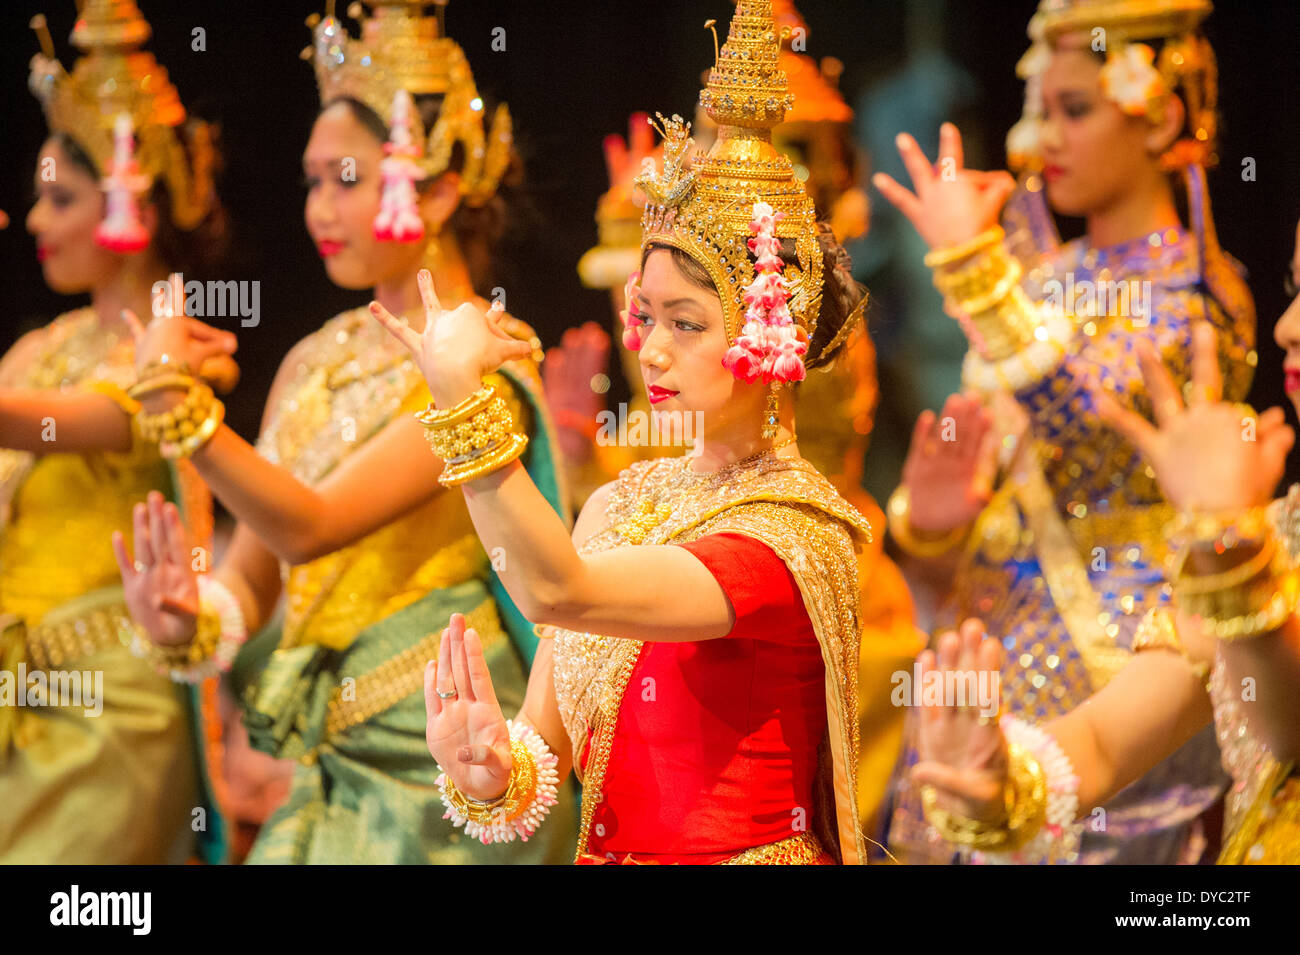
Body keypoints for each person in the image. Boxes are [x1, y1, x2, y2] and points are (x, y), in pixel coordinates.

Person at [372, 0, 873, 864]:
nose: (651, 348)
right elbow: (544, 748)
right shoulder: (619, 504)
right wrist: (492, 765)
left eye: (686, 323)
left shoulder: (786, 537)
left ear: (768, 324)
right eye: (645, 317)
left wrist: (461, 398)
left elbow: (556, 591)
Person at [113, 0, 576, 864]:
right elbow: (258, 569)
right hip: (329, 763)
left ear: (436, 189)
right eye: (313, 181)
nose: (320, 208)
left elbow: (313, 524)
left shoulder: (484, 359)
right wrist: (191, 618)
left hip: (440, 762)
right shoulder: (312, 360)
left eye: (349, 179)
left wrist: (181, 414)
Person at [876, 0, 1255, 863]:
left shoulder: (1200, 289)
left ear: (1159, 116)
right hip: (992, 635)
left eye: (1075, 110)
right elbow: (1014, 474)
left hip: (1126, 664)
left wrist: (974, 273)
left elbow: (1096, 423)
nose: (1042, 136)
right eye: (1040, 110)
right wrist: (933, 520)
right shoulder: (1043, 278)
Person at [909, 232, 1300, 861]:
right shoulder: (1281, 530)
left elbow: (1289, 728)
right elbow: (1102, 743)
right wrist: (1001, 786)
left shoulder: (1193, 289)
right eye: (1293, 289)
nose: (1287, 326)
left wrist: (1226, 537)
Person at [0, 1, 233, 864]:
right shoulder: (39, 348)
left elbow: (97, 421)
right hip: (17, 700)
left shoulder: (185, 349)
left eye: (60, 197)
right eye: (35, 196)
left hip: (115, 705)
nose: (34, 219)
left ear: (131, 194)